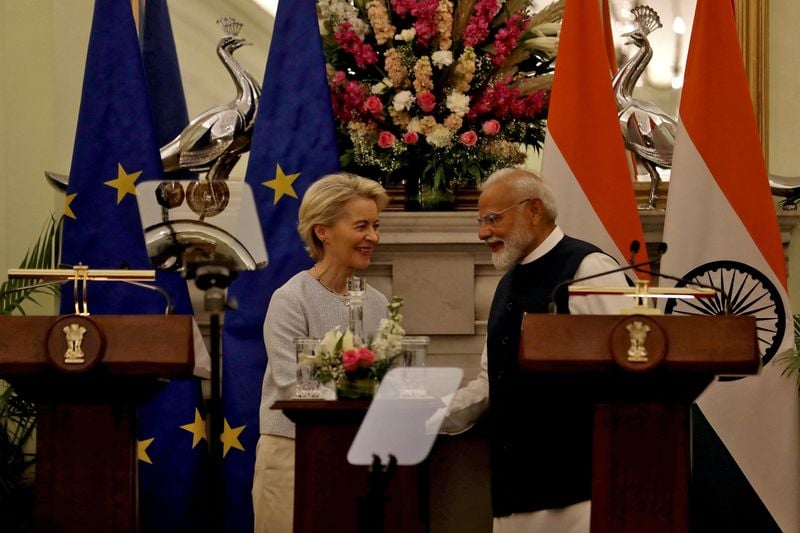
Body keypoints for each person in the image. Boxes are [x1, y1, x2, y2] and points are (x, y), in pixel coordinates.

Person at [441, 168, 630, 533]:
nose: (483, 233)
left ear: (534, 210)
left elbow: (629, 370)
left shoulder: (588, 269)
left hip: (579, 492)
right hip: (513, 492)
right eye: (481, 222)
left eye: (493, 219)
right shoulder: (506, 284)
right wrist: (429, 414)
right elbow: (492, 382)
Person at [252, 173, 390, 533]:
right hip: (293, 454)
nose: (373, 237)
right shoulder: (290, 299)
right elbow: (291, 385)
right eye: (361, 226)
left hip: (358, 456)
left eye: (375, 226)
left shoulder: (377, 303)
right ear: (322, 231)